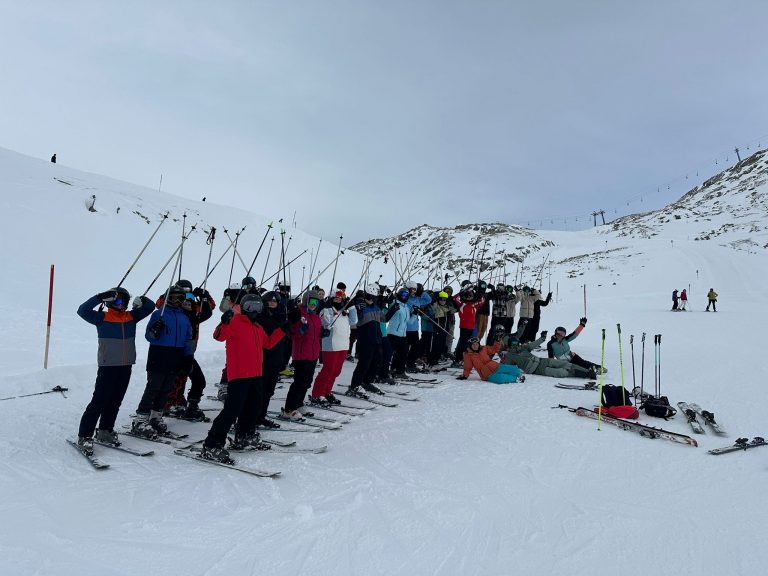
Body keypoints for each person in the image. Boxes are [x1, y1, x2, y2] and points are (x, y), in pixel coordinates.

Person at [200, 294, 285, 463]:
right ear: (244, 308)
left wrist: (282, 330)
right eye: (250, 306)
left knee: (252, 408)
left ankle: (244, 436)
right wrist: (224, 322)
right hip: (239, 375)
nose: (254, 310)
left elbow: (267, 343)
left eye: (257, 307)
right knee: (232, 410)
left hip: (256, 374)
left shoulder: (257, 327)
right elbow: (218, 336)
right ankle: (212, 444)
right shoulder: (235, 322)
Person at [75, 288, 154, 454]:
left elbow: (150, 306)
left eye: (125, 302)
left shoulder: (131, 317)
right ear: (110, 302)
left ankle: (105, 430)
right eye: (118, 301)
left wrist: (141, 300)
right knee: (99, 401)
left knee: (115, 401)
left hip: (126, 366)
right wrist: (99, 297)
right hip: (108, 366)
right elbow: (82, 310)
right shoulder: (101, 317)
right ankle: (85, 436)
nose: (122, 304)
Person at [130, 285, 193, 438]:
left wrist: (188, 357)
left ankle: (156, 417)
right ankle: (140, 420)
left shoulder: (184, 318)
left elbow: (187, 339)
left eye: (180, 298)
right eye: (173, 298)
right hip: (159, 355)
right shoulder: (159, 314)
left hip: (176, 356)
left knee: (166, 389)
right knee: (153, 388)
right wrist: (154, 330)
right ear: (167, 298)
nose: (176, 301)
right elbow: (149, 336)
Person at [161, 280, 215, 420]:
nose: (187, 301)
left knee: (192, 379)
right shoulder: (174, 313)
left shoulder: (194, 314)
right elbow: (160, 304)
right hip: (174, 352)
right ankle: (170, 404)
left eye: (190, 297)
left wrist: (204, 295)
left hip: (189, 352)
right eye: (183, 297)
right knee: (177, 379)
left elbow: (209, 309)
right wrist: (170, 293)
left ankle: (186, 404)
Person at [309, 291, 357, 406]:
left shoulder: (344, 312)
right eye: (336, 299)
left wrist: (352, 307)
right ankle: (317, 394)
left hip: (343, 345)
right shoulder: (327, 310)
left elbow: (354, 321)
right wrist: (329, 310)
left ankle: (327, 392)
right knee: (328, 370)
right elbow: (326, 324)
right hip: (331, 346)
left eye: (340, 299)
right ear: (331, 299)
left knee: (336, 371)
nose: (338, 301)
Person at [281, 289, 322, 420]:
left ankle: (298, 404)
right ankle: (289, 409)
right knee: (299, 383)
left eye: (316, 302)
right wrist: (301, 330)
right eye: (311, 302)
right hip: (301, 355)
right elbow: (293, 335)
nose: (313, 305)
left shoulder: (316, 317)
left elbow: (316, 335)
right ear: (305, 301)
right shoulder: (299, 314)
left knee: (307, 382)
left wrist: (323, 333)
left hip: (313, 354)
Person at [501, 329, 595, 379]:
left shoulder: (523, 348)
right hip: (537, 370)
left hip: (541, 361)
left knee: (564, 364)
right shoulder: (509, 355)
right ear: (509, 345)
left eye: (516, 343)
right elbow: (508, 368)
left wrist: (542, 338)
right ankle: (585, 374)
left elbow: (533, 344)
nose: (515, 345)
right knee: (561, 372)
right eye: (513, 344)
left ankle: (588, 371)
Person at [349, 284, 385, 395]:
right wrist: (358, 306)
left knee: (377, 362)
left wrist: (392, 309)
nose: (377, 297)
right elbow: (355, 317)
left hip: (377, 339)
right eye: (376, 296)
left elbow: (384, 319)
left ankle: (367, 382)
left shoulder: (376, 307)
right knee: (364, 363)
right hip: (366, 340)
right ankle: (355, 385)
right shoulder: (361, 305)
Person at [456, 337, 523, 384]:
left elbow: (494, 349)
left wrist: (497, 341)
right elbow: (467, 367)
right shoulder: (468, 355)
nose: (475, 346)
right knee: (501, 379)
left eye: (476, 344)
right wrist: (465, 375)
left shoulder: (484, 348)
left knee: (515, 370)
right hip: (487, 374)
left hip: (496, 366)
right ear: (470, 345)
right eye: (473, 344)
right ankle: (516, 379)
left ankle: (518, 375)